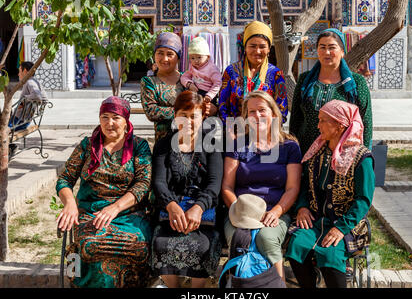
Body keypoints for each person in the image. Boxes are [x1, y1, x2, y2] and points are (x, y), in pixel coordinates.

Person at [55, 96, 153, 288]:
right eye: (105, 117)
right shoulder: (87, 145)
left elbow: (143, 183)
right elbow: (64, 179)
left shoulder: (139, 147)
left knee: (139, 247)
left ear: (126, 120)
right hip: (91, 212)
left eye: (116, 117)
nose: (109, 123)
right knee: (90, 245)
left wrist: (115, 208)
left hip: (128, 214)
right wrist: (70, 203)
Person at [285, 99, 375, 288]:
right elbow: (305, 186)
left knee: (330, 253)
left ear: (340, 125)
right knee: (297, 246)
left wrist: (341, 228)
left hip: (348, 223)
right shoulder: (317, 152)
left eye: (323, 120)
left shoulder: (361, 158)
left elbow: (363, 201)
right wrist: (302, 207)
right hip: (317, 220)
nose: (318, 126)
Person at [221, 90, 302, 280]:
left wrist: (276, 212)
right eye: (251, 112)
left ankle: (276, 284)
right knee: (242, 240)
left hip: (275, 211)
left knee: (266, 238)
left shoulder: (289, 146)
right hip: (239, 210)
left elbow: (292, 188)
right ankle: (241, 286)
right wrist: (240, 210)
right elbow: (227, 187)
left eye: (262, 110)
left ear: (274, 113)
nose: (257, 116)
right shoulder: (238, 144)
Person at [151, 91, 223, 288]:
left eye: (194, 116)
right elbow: (158, 182)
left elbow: (214, 183)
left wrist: (198, 207)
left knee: (204, 246)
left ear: (204, 118)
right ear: (175, 116)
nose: (189, 121)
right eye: (183, 114)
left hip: (203, 215)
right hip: (171, 213)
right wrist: (172, 207)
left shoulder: (212, 145)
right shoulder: (164, 145)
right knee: (161, 244)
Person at [289, 28, 373, 155]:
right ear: (317, 51)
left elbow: (365, 122)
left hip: (343, 154)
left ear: (342, 51)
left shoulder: (356, 82)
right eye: (322, 47)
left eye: (332, 47)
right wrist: (293, 154)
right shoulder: (305, 80)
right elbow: (295, 120)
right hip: (307, 152)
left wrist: (363, 155)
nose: (326, 52)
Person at [218, 21, 288, 126]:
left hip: (266, 134)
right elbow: (222, 105)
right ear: (245, 47)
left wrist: (267, 131)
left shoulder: (276, 74)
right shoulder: (231, 71)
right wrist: (232, 130)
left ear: (269, 49)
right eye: (252, 46)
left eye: (262, 46)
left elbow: (281, 109)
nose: (258, 51)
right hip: (235, 134)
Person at [141, 32, 184, 142]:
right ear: (154, 55)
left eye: (170, 54)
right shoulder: (149, 82)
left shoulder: (187, 79)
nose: (164, 59)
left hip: (189, 141)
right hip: (163, 144)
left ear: (178, 58)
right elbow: (151, 111)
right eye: (160, 53)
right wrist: (185, 112)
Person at [180, 36, 222, 117]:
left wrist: (209, 95)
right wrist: (189, 84)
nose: (196, 61)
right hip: (195, 91)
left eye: (199, 57)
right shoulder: (192, 67)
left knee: (206, 112)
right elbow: (184, 77)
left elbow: (217, 83)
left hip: (207, 94)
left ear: (207, 57)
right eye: (192, 58)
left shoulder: (212, 69)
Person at [9, 61, 47, 130]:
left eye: (20, 71)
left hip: (19, 122)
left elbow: (37, 96)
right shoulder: (33, 81)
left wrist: (24, 99)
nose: (18, 74)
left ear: (25, 71)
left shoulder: (30, 82)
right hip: (22, 120)